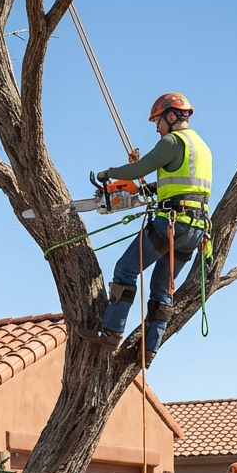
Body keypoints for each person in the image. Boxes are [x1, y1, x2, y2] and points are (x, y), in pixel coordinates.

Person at [80, 92, 212, 366]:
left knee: (125, 270)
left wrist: (109, 173)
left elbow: (141, 166)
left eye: (158, 122)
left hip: (171, 225)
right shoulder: (202, 146)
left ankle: (112, 331)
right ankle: (149, 351)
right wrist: (151, 188)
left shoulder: (173, 141)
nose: (157, 128)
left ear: (171, 116)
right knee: (162, 292)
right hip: (195, 230)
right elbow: (186, 184)